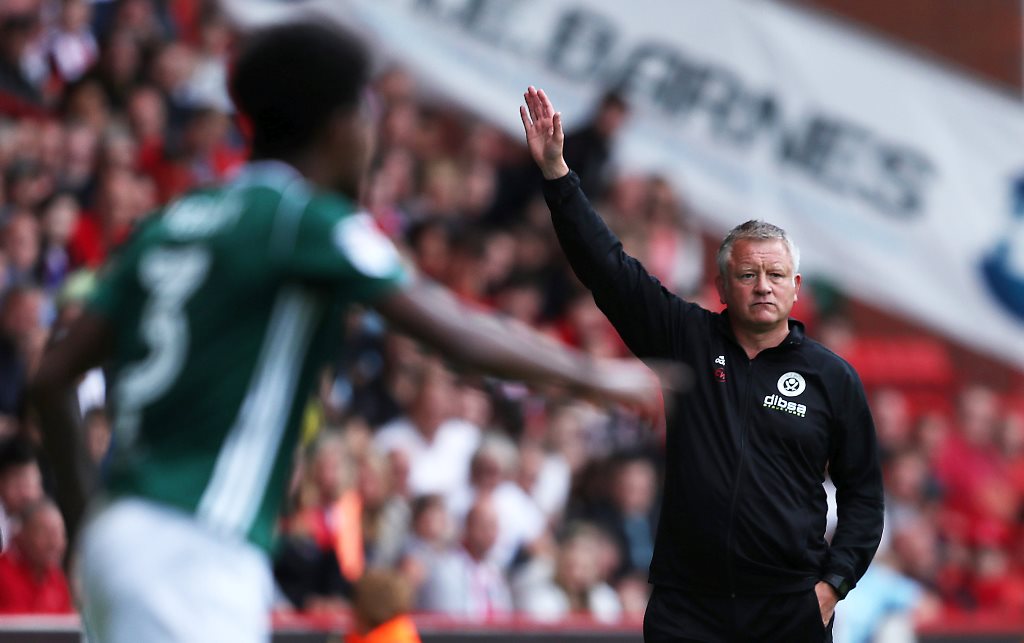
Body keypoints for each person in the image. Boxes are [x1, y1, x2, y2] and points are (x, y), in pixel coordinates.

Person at [27, 23, 659, 643]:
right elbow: (458, 335)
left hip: (125, 538)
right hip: (194, 551)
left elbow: (52, 377)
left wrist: (87, 527)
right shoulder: (306, 221)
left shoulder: (175, 218)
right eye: (367, 113)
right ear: (341, 126)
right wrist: (601, 376)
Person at [520, 86, 884, 642]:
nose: (762, 286)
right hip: (687, 608)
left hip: (788, 610)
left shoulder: (832, 378)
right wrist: (557, 175)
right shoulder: (686, 338)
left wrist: (833, 586)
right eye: (747, 274)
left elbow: (865, 498)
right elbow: (608, 270)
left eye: (776, 276)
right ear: (721, 284)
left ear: (795, 288)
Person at [0, 498, 74, 614]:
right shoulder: (2, 573)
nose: (54, 542)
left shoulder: (58, 581)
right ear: (21, 535)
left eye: (59, 534)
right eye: (45, 533)